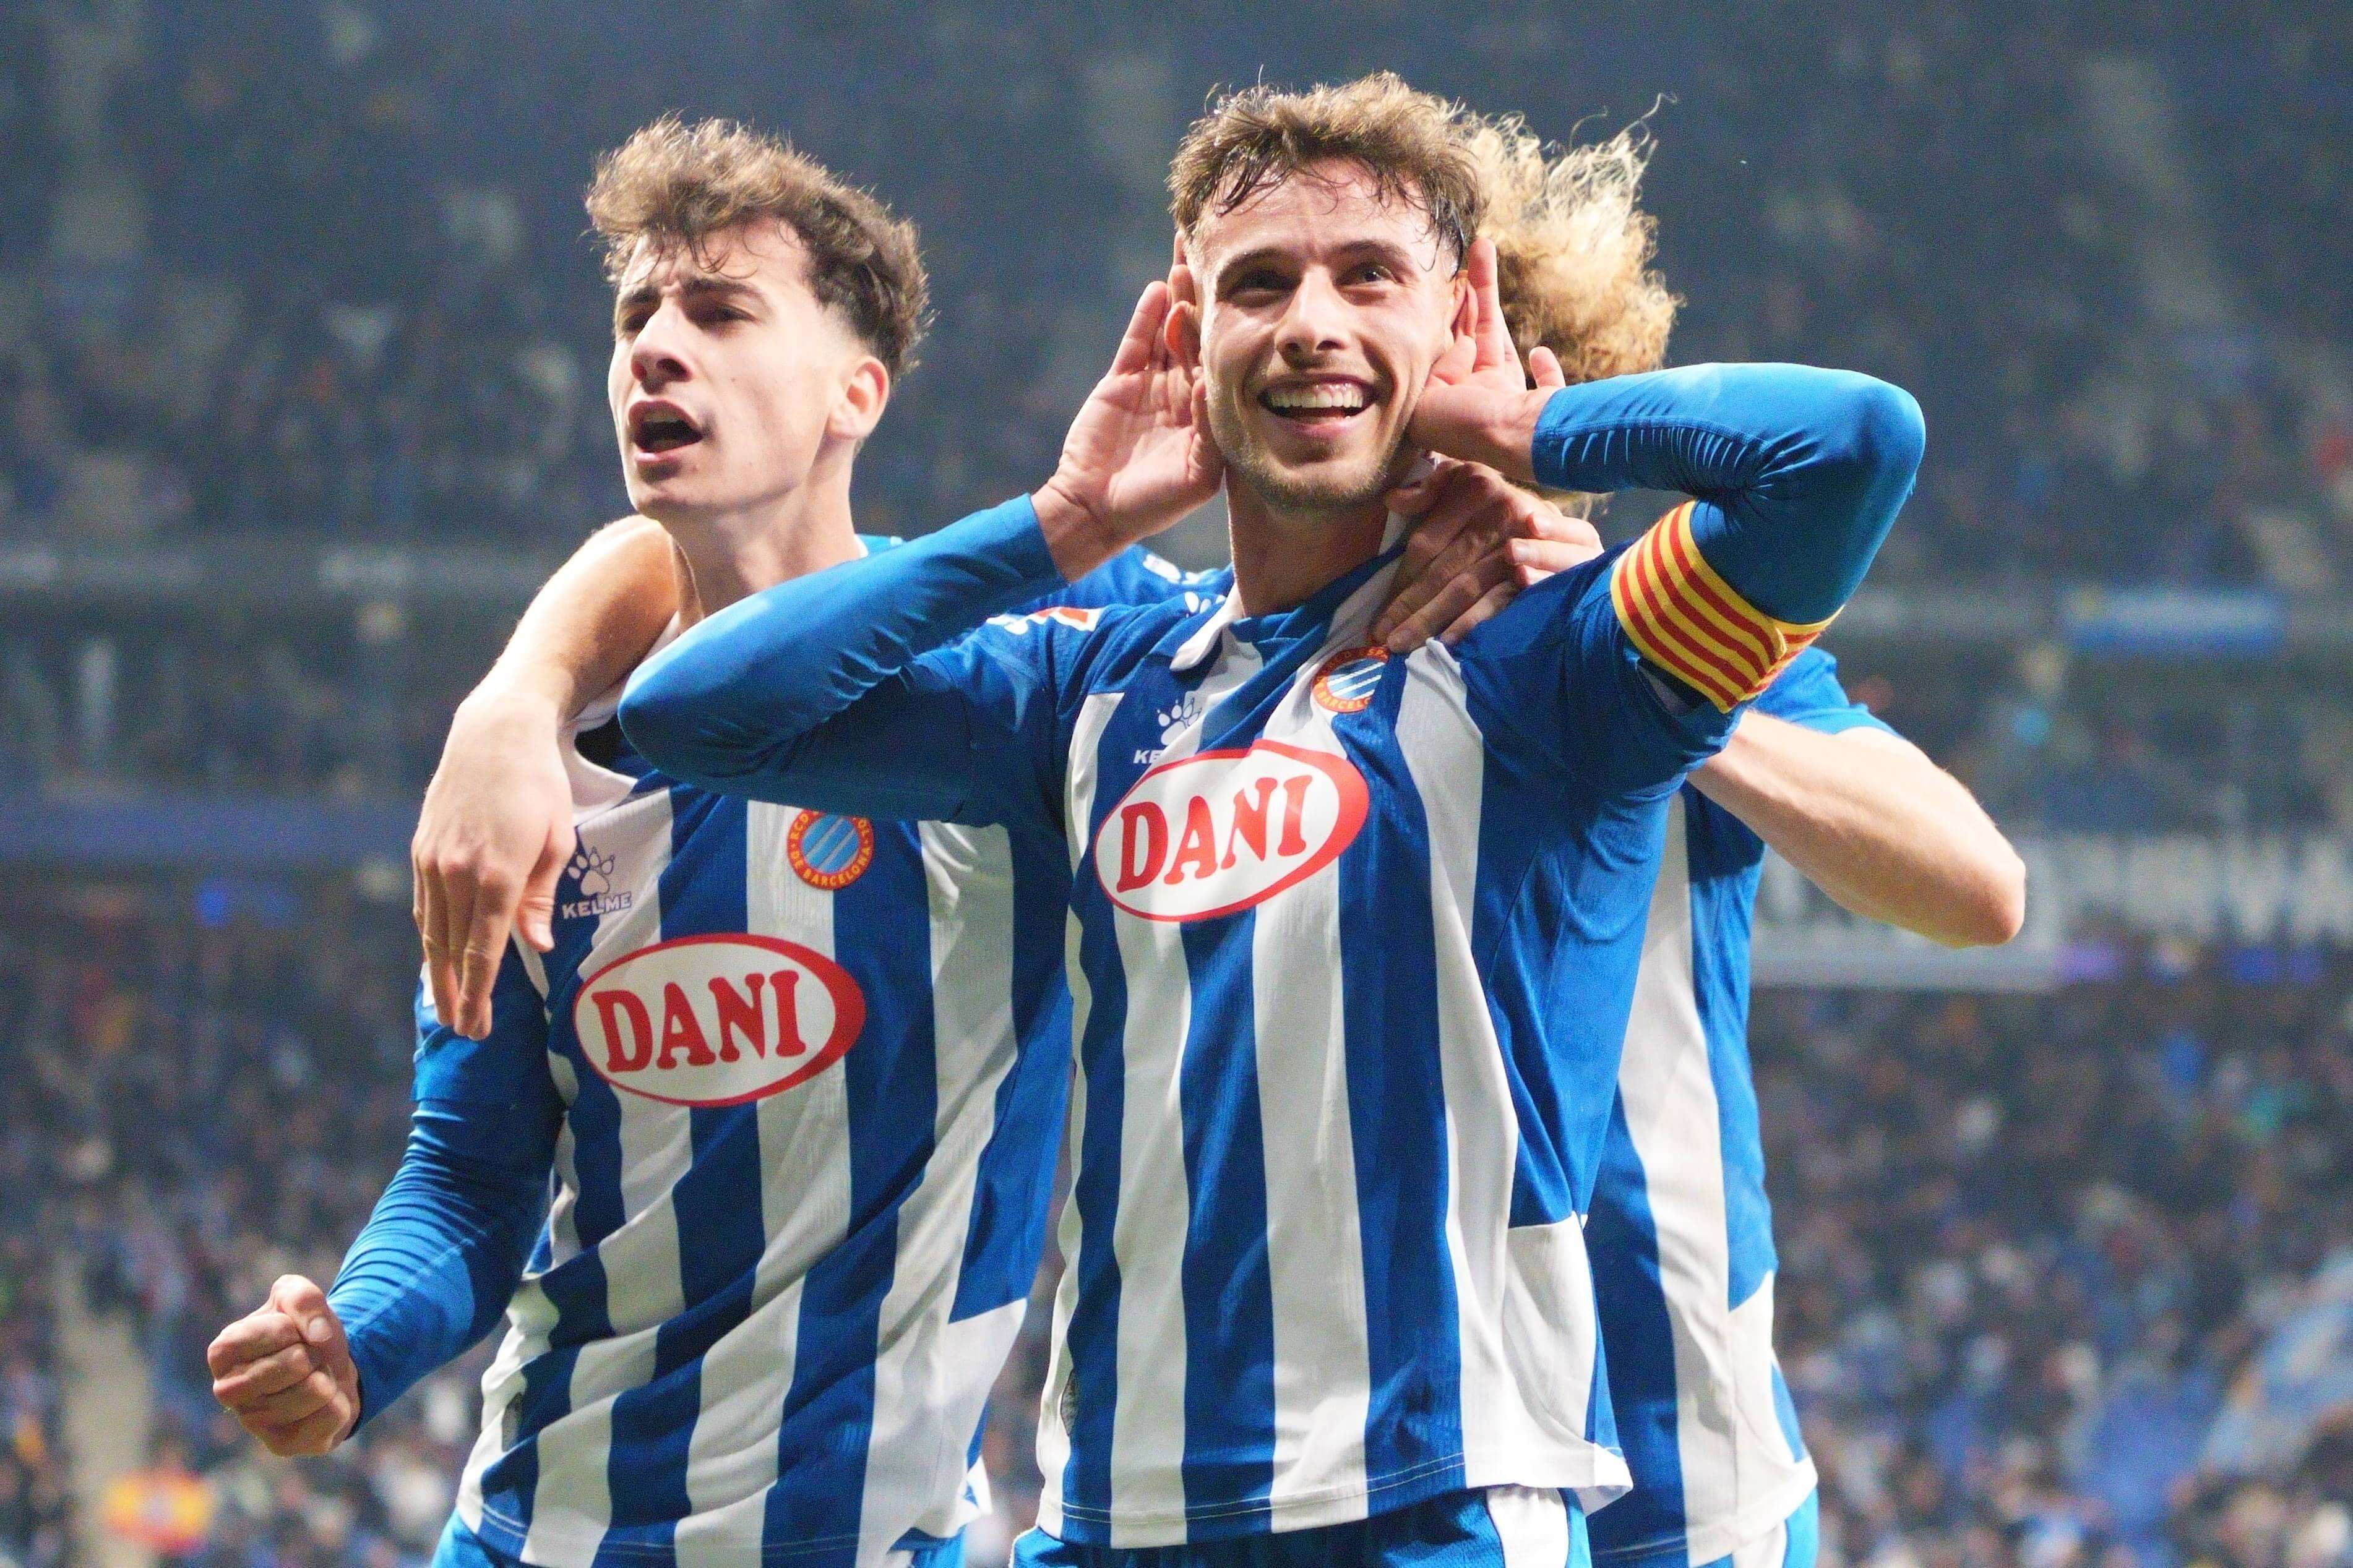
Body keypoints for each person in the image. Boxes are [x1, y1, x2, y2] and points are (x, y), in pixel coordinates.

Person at [203, 116, 1584, 1568]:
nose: (655, 350)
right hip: (538, 1535)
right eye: (635, 317)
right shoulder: (533, 788)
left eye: (720, 310)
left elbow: (1285, 593)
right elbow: (469, 1177)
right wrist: (353, 1339)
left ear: (857, 390)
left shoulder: (1059, 688)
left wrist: (1478, 510)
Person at [614, 72, 1928, 1568]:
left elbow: (1853, 445)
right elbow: (691, 710)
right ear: (1189, 333)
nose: (1309, 320)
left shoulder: (1562, 657)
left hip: (1433, 1511)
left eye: (1369, 277)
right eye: (1258, 285)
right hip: (1112, 1518)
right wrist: (1068, 520)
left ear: (1460, 314)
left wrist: (1527, 427)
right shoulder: (1090, 680)